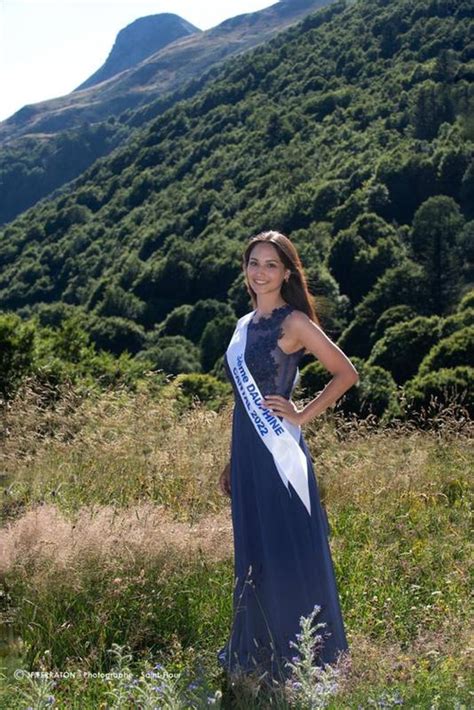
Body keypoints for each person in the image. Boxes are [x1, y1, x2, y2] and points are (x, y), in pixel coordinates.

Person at [216, 230, 359, 691]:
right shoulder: (243, 326)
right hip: (248, 456)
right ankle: (259, 652)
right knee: (255, 554)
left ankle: (306, 658)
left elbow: (345, 373)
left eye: (271, 264)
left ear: (286, 272)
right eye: (254, 263)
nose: (261, 272)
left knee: (287, 552)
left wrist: (302, 413)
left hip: (279, 457)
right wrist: (231, 461)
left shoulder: (293, 323)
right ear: (245, 270)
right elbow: (243, 402)